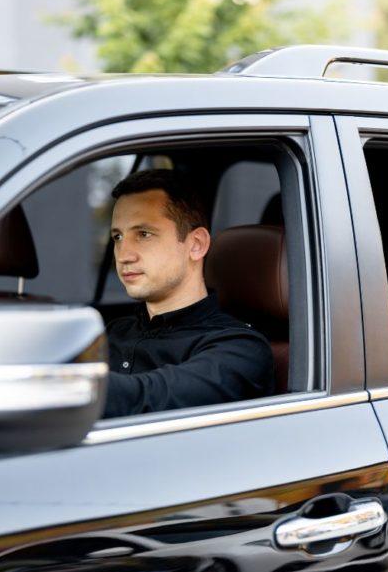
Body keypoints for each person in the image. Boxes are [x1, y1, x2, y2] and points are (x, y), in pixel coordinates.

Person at [101, 168, 275, 418]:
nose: (123, 255)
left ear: (196, 245)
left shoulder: (240, 349)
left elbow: (149, 398)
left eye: (144, 234)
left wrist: (66, 387)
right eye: (118, 237)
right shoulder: (113, 332)